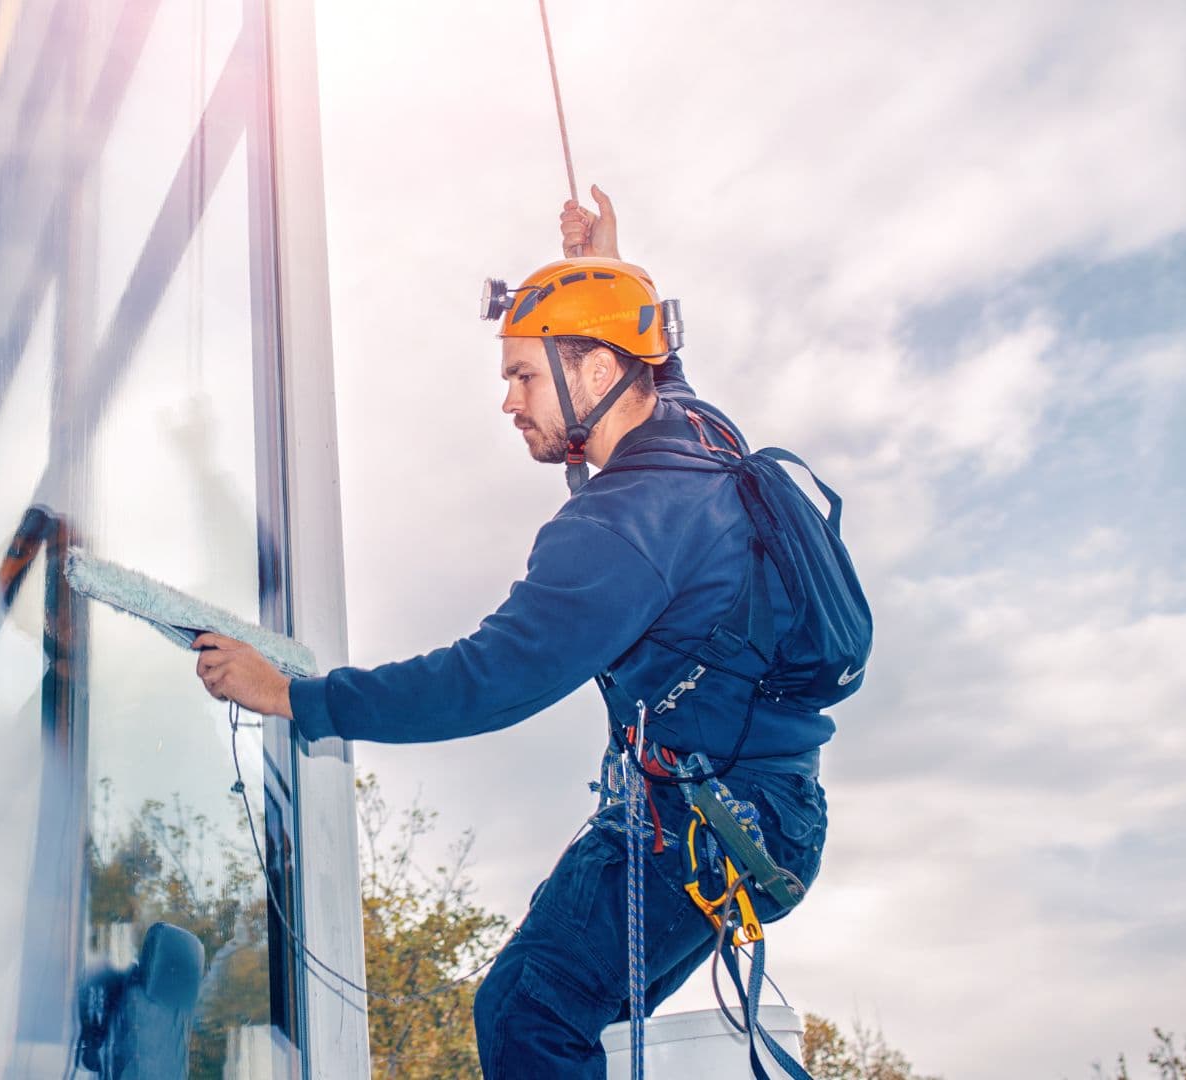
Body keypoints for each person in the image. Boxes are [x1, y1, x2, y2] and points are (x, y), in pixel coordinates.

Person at [192, 186, 832, 1078]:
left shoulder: (622, 527)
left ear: (598, 375)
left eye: (523, 376)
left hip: (708, 817)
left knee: (531, 1012)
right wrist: (603, 267)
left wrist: (294, 697)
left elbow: (485, 679)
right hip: (769, 809)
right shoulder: (701, 435)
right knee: (566, 1016)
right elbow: (661, 364)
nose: (508, 402)